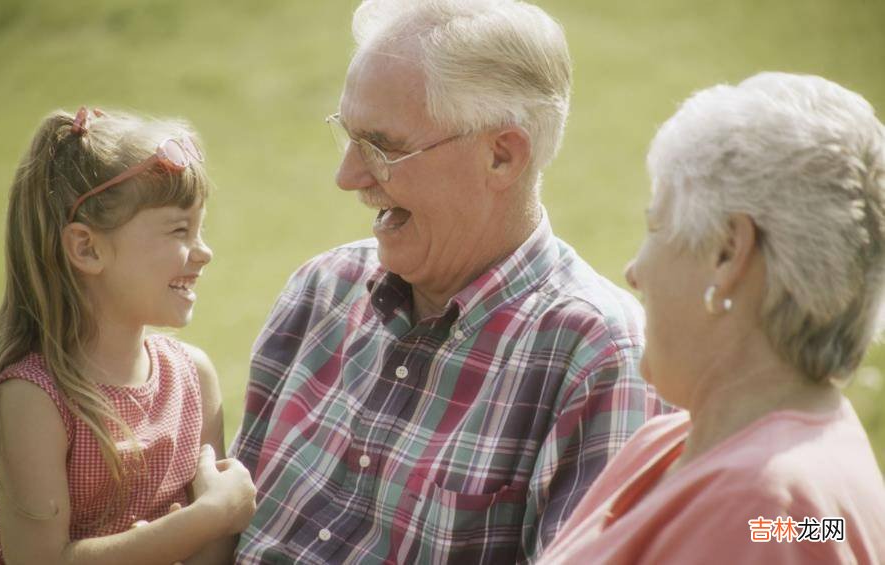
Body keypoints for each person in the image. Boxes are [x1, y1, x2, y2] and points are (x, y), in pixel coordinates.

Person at [230, 0, 670, 562]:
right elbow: (224, 527)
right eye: (348, 136)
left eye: (383, 146)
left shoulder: (599, 356)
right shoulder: (323, 288)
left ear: (502, 157)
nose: (348, 177)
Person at [540, 72, 885, 564]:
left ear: (727, 252)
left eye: (655, 225)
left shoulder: (765, 503)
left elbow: (780, 529)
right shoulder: (669, 443)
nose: (633, 271)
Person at [0, 107, 256, 564]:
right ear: (87, 248)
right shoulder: (33, 399)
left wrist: (208, 526)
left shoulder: (194, 378)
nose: (205, 252)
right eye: (180, 229)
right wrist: (209, 517)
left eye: (201, 228)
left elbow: (212, 557)